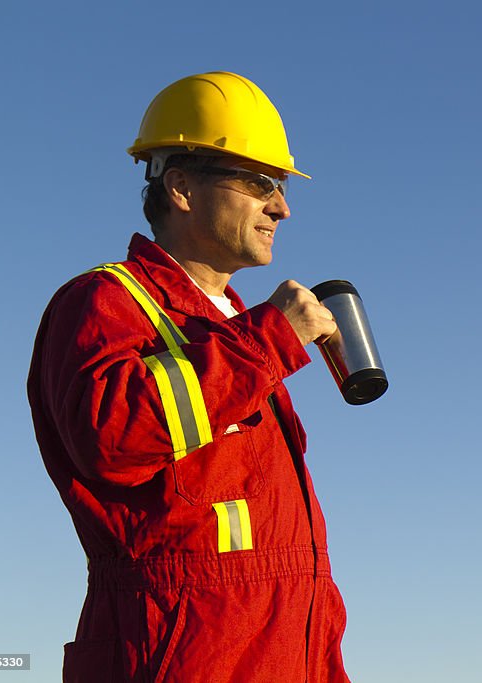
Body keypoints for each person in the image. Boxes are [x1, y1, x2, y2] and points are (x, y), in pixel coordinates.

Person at [27, 71, 351, 682]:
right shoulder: (105, 301)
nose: (281, 206)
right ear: (180, 187)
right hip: (178, 655)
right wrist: (272, 338)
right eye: (259, 183)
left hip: (285, 650)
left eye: (278, 185)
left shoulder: (232, 331)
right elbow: (111, 438)